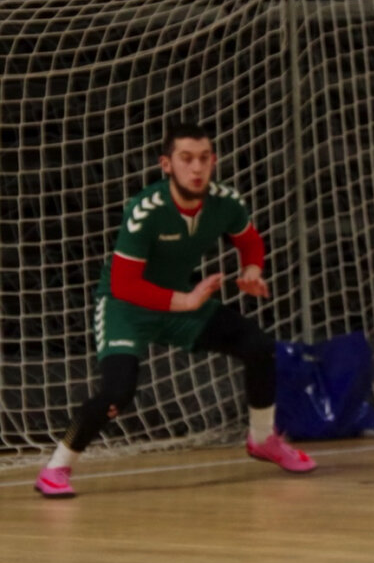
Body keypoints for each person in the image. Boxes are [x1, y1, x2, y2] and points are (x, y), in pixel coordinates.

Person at [34, 122, 316, 498]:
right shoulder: (145, 211)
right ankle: (57, 467)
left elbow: (249, 242)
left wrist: (252, 270)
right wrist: (184, 301)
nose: (196, 168)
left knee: (258, 345)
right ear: (166, 165)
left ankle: (263, 439)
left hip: (181, 301)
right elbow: (125, 284)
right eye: (186, 158)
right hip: (126, 308)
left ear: (213, 161)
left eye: (204, 158)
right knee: (117, 392)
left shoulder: (225, 202)